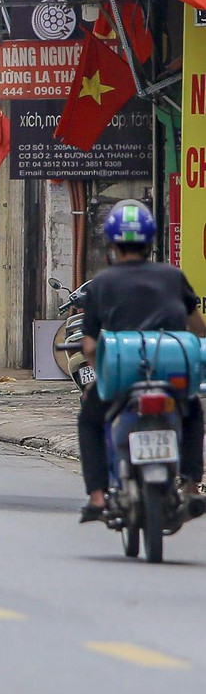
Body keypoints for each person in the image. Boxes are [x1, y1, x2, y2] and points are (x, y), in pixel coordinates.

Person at [76, 199, 206, 524]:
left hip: (123, 375)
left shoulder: (102, 284)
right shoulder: (173, 276)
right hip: (172, 372)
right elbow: (198, 328)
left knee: (90, 420)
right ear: (150, 242)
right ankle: (191, 485)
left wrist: (100, 372)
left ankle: (96, 496)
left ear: (110, 244)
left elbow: (90, 345)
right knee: (193, 413)